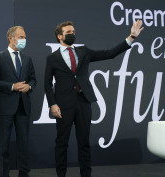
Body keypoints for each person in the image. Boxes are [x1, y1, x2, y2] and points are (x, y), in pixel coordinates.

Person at [44, 20, 144, 177]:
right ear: (59, 36)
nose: (72, 34)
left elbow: (109, 54)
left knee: (84, 143)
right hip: (63, 105)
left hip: (83, 101)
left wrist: (131, 37)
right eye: (69, 32)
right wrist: (52, 104)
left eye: (74, 32)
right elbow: (47, 84)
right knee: (61, 143)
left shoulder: (83, 51)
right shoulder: (52, 58)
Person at [0, 26, 36, 177]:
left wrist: (29, 86)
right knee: (4, 146)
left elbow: (33, 79)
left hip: (23, 106)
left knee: (23, 144)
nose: (24, 40)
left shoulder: (27, 59)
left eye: (25, 37)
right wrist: (12, 86)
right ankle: (4, 174)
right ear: (11, 38)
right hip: (5, 108)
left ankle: (24, 173)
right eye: (21, 37)